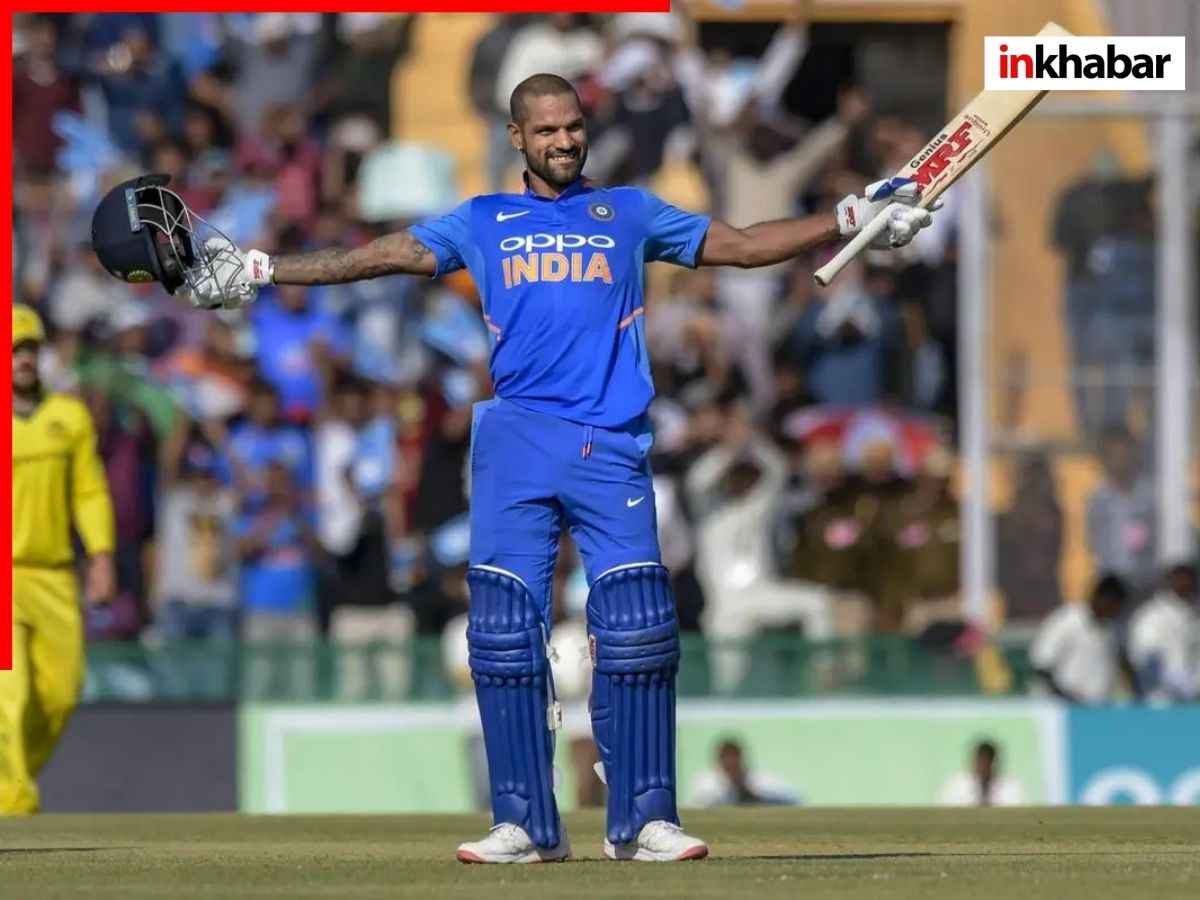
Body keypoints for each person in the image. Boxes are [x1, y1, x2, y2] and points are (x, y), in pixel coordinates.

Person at [91, 73, 935, 863]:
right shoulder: (482, 220)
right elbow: (382, 254)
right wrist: (263, 269)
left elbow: (744, 246)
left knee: (640, 627)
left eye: (573, 127)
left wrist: (847, 218)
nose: (564, 141)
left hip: (610, 442)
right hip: (515, 442)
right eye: (547, 130)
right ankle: (526, 824)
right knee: (501, 636)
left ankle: (644, 820)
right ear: (517, 138)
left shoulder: (628, 212)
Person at [3, 305, 115, 815]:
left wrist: (102, 557)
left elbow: (89, 491)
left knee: (61, 695)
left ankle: (12, 783)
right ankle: (13, 806)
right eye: (13, 351)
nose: (23, 359)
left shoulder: (68, 417)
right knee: (10, 696)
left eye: (29, 348)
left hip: (53, 575)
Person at [1029, 574, 1129, 705]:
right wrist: (1065, 697)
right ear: (1100, 597)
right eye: (1113, 605)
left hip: (1097, 708)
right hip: (1061, 707)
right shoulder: (1066, 620)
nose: (1115, 611)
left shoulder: (1112, 632)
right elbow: (1042, 665)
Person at [1127, 562, 1199, 703]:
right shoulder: (1151, 615)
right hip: (1160, 697)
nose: (1185, 584)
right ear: (1170, 581)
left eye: (1189, 579)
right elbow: (1143, 658)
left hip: (1191, 697)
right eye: (1180, 579)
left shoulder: (1194, 615)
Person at [689, 739, 799, 808]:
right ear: (720, 759)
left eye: (734, 757)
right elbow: (701, 803)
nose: (732, 763)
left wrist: (752, 793)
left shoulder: (756, 778)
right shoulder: (706, 781)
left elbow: (789, 798)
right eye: (728, 758)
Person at [938, 741, 1027, 807]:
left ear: (993, 763)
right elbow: (945, 810)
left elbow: (1017, 810)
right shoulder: (957, 785)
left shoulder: (1010, 787)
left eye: (987, 763)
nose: (983, 767)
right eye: (980, 762)